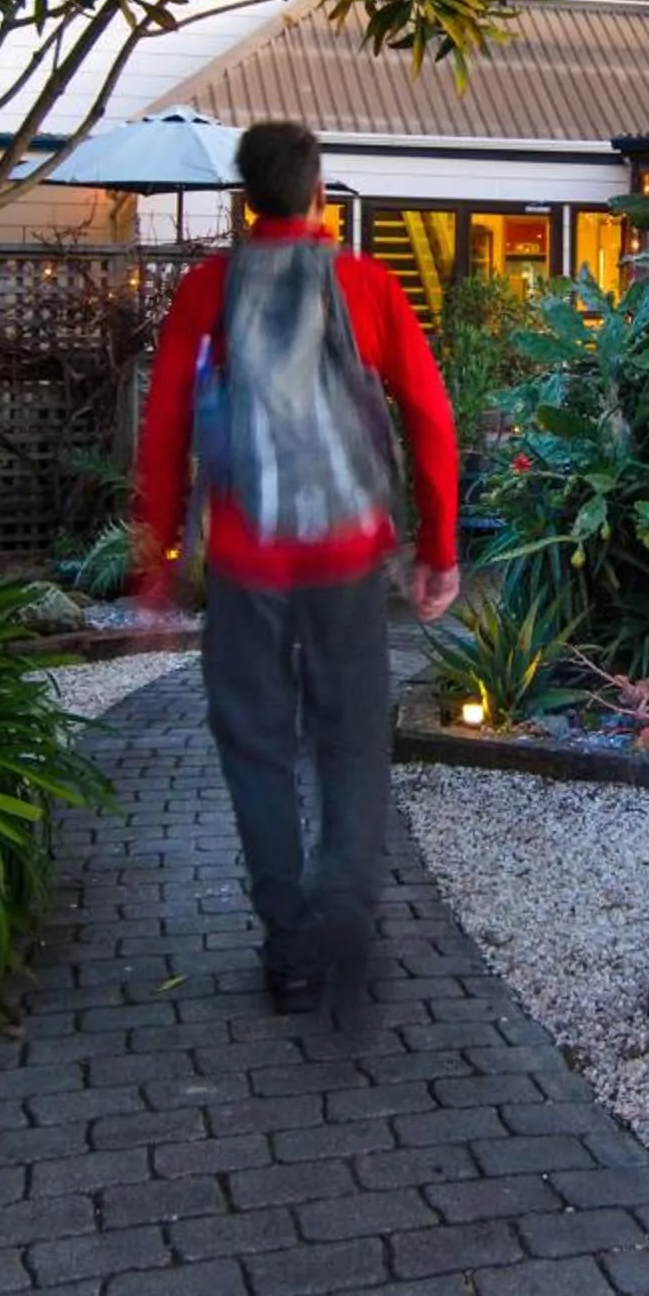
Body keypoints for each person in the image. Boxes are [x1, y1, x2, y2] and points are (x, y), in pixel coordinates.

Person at [134, 121, 460, 1012]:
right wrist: (437, 549)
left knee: (258, 754)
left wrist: (160, 560)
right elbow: (431, 418)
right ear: (319, 192)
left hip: (247, 568)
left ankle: (290, 950)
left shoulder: (208, 289)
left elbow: (165, 429)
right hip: (349, 562)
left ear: (247, 197)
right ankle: (345, 907)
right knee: (351, 745)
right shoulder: (366, 285)